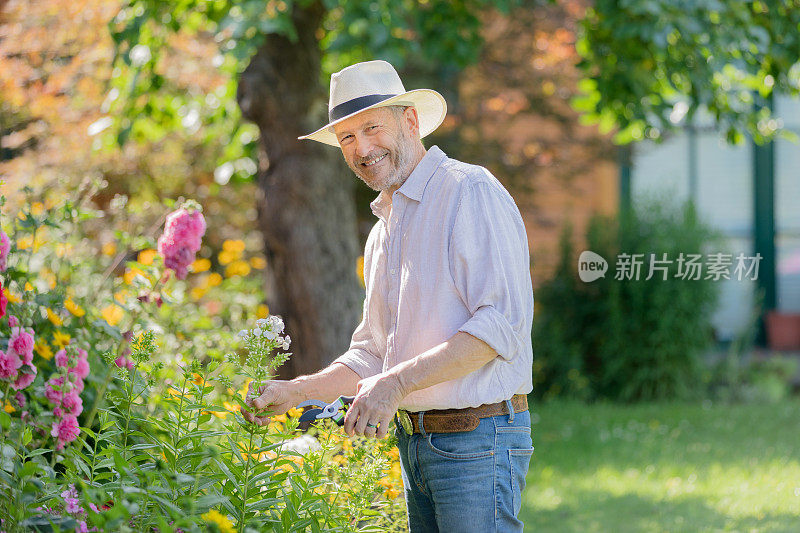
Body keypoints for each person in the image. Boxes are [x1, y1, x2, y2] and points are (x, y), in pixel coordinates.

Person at [242, 60, 534, 532]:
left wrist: (394, 385)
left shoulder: (468, 191)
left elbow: (498, 327)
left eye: (371, 128)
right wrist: (294, 392)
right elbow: (372, 354)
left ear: (411, 122)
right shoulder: (385, 229)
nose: (362, 148)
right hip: (415, 445)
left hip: (478, 441)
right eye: (347, 138)